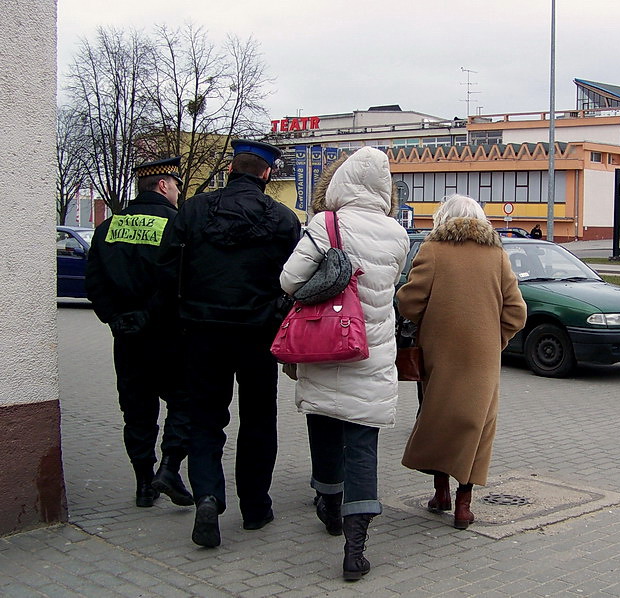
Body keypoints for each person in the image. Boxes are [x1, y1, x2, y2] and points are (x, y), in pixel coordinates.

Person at [157, 140, 302, 548]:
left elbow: (168, 273)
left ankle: (207, 495)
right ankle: (255, 507)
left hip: (202, 332)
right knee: (258, 420)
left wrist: (179, 321)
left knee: (206, 418)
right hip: (258, 335)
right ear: (267, 174)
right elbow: (294, 282)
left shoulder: (192, 210)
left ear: (231, 168)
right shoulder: (283, 218)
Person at [280, 147, 409, 581]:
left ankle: (329, 507)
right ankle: (356, 549)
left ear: (342, 181)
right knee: (362, 445)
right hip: (371, 351)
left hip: (324, 345)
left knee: (323, 426)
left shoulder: (326, 223)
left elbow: (289, 279)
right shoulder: (397, 234)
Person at [396, 194, 526, 530]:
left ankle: (441, 494)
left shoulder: (432, 250)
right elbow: (516, 313)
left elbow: (409, 303)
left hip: (438, 358)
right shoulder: (497, 254)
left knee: (438, 421)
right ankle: (464, 507)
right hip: (483, 361)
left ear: (443, 218)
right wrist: (493, 341)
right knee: (476, 429)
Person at [85, 157, 193, 509]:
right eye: (176, 185)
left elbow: (94, 282)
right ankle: (169, 468)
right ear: (163, 185)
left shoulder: (108, 227)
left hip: (127, 338)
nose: (178, 191)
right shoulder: (177, 225)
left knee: (136, 409)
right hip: (170, 336)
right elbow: (181, 282)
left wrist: (115, 318)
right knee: (184, 401)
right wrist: (152, 315)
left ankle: (144, 484)